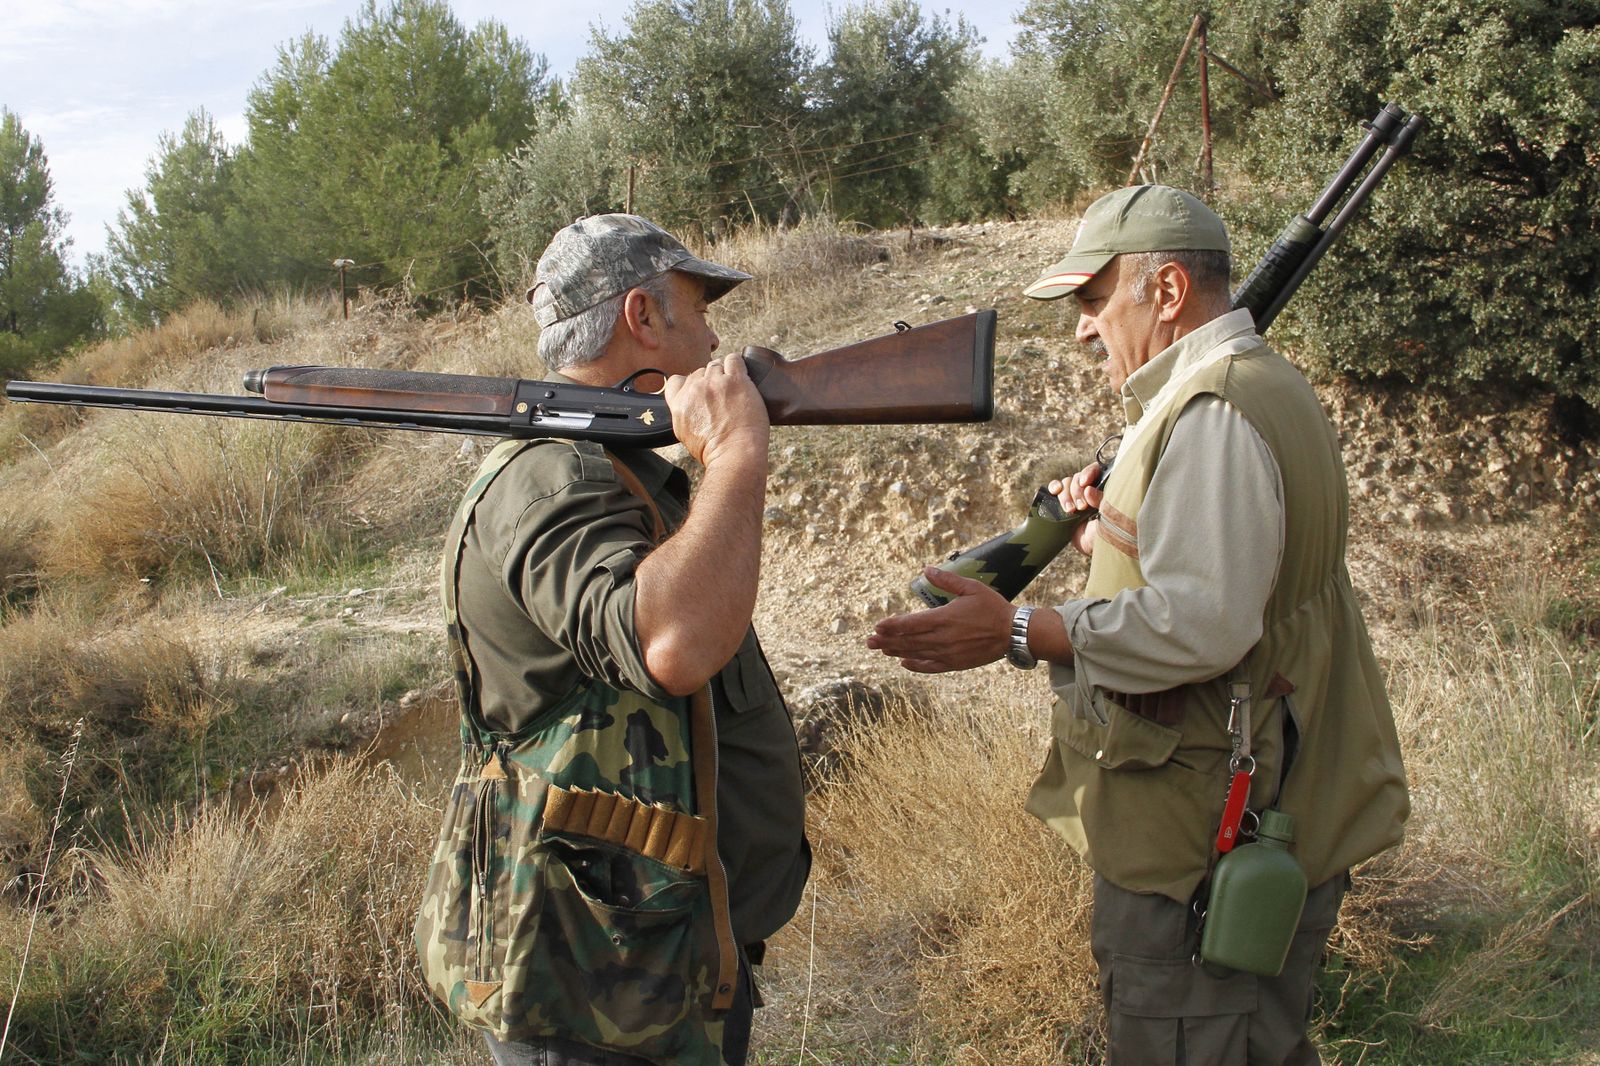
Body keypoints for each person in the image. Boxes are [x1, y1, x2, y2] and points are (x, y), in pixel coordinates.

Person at [867, 185, 1408, 1063]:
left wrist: (1021, 630)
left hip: (1202, 834)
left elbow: (1201, 623)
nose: (1083, 328)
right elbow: (1234, 570)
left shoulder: (1212, 413)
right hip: (1256, 801)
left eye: (1093, 298)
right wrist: (1105, 533)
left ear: (1166, 292)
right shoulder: (1261, 386)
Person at [414, 214, 811, 1066]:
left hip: (652, 967)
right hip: (590, 993)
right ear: (643, 315)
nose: (715, 341)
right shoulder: (550, 478)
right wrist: (736, 452)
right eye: (699, 312)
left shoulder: (615, 470)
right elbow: (672, 642)